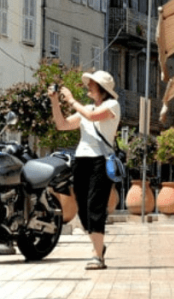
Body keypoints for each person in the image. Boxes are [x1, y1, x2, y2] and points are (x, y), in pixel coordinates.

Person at [49, 69, 120, 270]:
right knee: (82, 206)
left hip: (101, 160)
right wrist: (55, 101)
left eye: (92, 83)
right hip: (81, 160)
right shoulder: (85, 108)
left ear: (101, 88)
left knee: (95, 205)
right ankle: (99, 245)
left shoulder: (112, 105)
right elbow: (62, 125)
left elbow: (91, 116)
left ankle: (97, 256)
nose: (88, 86)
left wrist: (71, 100)